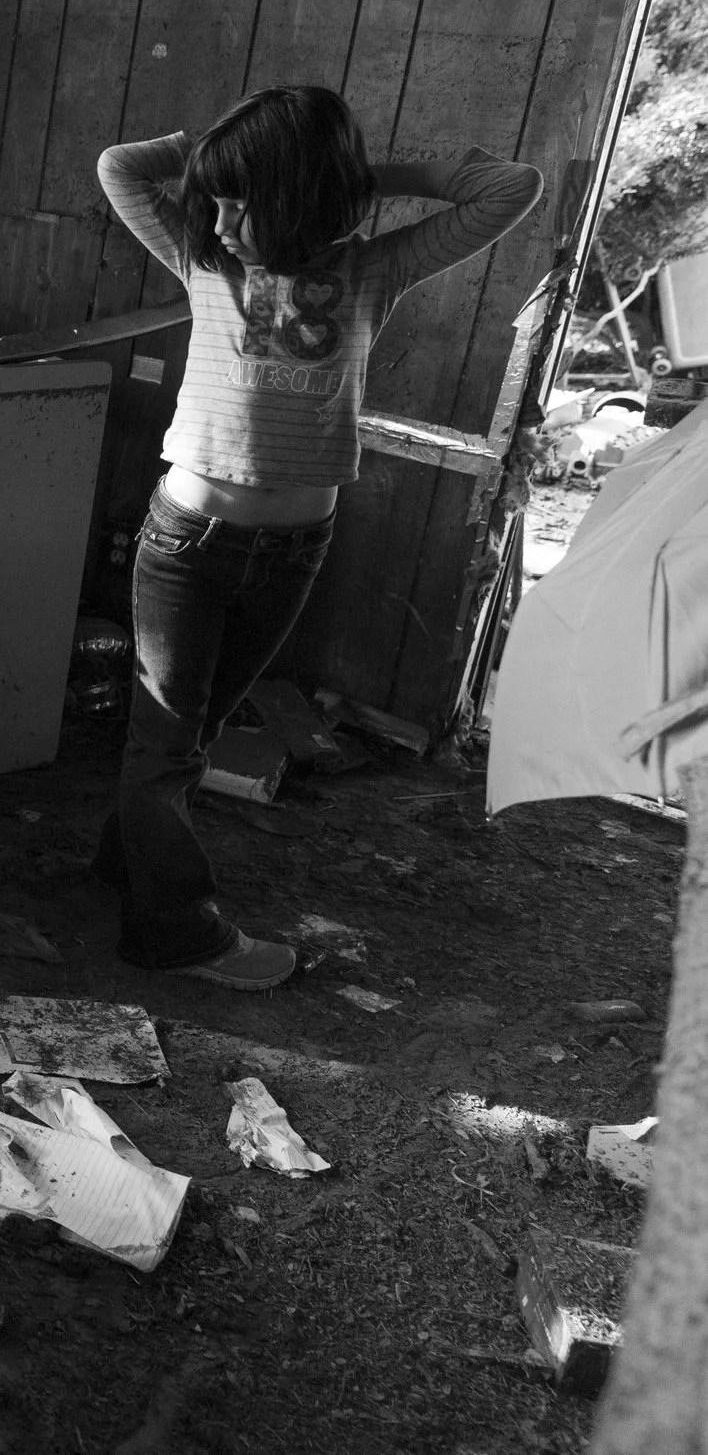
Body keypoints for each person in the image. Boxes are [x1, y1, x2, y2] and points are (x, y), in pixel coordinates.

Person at [92, 86, 542, 989]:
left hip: (293, 550)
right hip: (188, 542)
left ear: (305, 197)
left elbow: (511, 187)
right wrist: (221, 160)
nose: (217, 220)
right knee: (169, 740)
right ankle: (174, 933)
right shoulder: (200, 256)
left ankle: (127, 868)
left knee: (189, 732)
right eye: (215, 199)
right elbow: (122, 167)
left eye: (241, 200)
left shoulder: (376, 270)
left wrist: (354, 178)